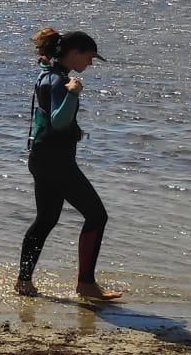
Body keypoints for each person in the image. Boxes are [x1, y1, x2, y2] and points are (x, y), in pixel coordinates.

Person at [15, 28, 121, 300]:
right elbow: (59, 121)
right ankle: (86, 284)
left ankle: (24, 282)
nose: (91, 63)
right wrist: (73, 92)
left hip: (41, 158)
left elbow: (44, 68)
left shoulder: (47, 74)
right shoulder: (61, 81)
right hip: (56, 162)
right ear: (74, 53)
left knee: (46, 219)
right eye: (90, 57)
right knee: (97, 216)